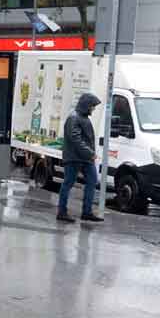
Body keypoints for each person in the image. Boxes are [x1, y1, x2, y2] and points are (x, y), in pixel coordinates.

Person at [58, 92, 103, 223]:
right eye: (92, 106)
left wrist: (89, 154)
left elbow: (78, 139)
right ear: (87, 105)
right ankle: (62, 212)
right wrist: (90, 153)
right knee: (68, 183)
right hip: (74, 158)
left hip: (83, 158)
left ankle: (87, 212)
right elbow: (75, 139)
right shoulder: (74, 118)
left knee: (92, 181)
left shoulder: (81, 117)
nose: (93, 108)